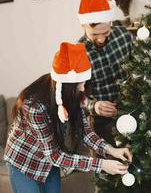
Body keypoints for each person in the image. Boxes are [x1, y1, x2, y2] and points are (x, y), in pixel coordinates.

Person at [4, 42, 132, 193]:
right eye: (80, 84)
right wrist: (101, 164)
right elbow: (55, 156)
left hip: (49, 164)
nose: (83, 89)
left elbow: (85, 132)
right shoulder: (33, 106)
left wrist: (111, 150)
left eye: (84, 83)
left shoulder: (73, 95)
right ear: (66, 85)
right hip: (23, 163)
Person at [78, 0, 132, 145]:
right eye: (95, 34)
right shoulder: (78, 53)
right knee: (109, 164)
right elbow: (73, 94)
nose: (101, 39)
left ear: (110, 22)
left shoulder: (125, 36)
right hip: (102, 122)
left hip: (132, 110)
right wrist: (93, 105)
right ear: (83, 25)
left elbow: (140, 68)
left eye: (106, 33)